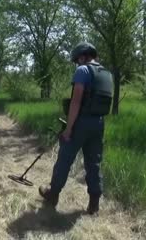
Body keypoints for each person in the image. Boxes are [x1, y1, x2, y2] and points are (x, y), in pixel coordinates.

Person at [39, 42, 113, 215]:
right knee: (94, 163)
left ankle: (53, 194)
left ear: (82, 56)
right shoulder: (107, 74)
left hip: (82, 122)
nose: (77, 64)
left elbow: (76, 101)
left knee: (65, 159)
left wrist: (68, 128)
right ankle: (94, 205)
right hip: (99, 123)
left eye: (77, 60)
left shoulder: (83, 70)